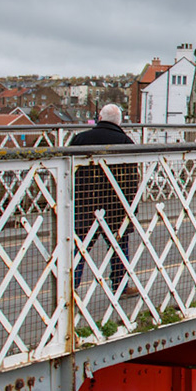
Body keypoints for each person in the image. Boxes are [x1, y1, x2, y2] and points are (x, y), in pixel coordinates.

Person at [71, 104, 139, 296]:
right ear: (119, 122)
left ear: (99, 118)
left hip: (85, 203)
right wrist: (131, 208)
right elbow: (131, 179)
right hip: (115, 206)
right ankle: (120, 286)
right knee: (119, 247)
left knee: (79, 248)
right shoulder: (125, 142)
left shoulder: (80, 139)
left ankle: (70, 287)